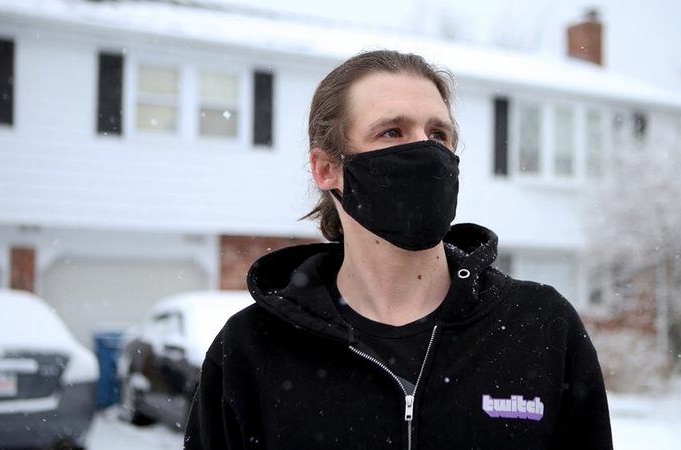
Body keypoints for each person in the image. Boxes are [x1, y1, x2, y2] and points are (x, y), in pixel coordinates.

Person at [184, 49, 613, 450]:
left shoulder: (541, 327)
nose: (426, 150)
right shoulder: (251, 350)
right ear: (327, 168)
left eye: (438, 134)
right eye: (393, 131)